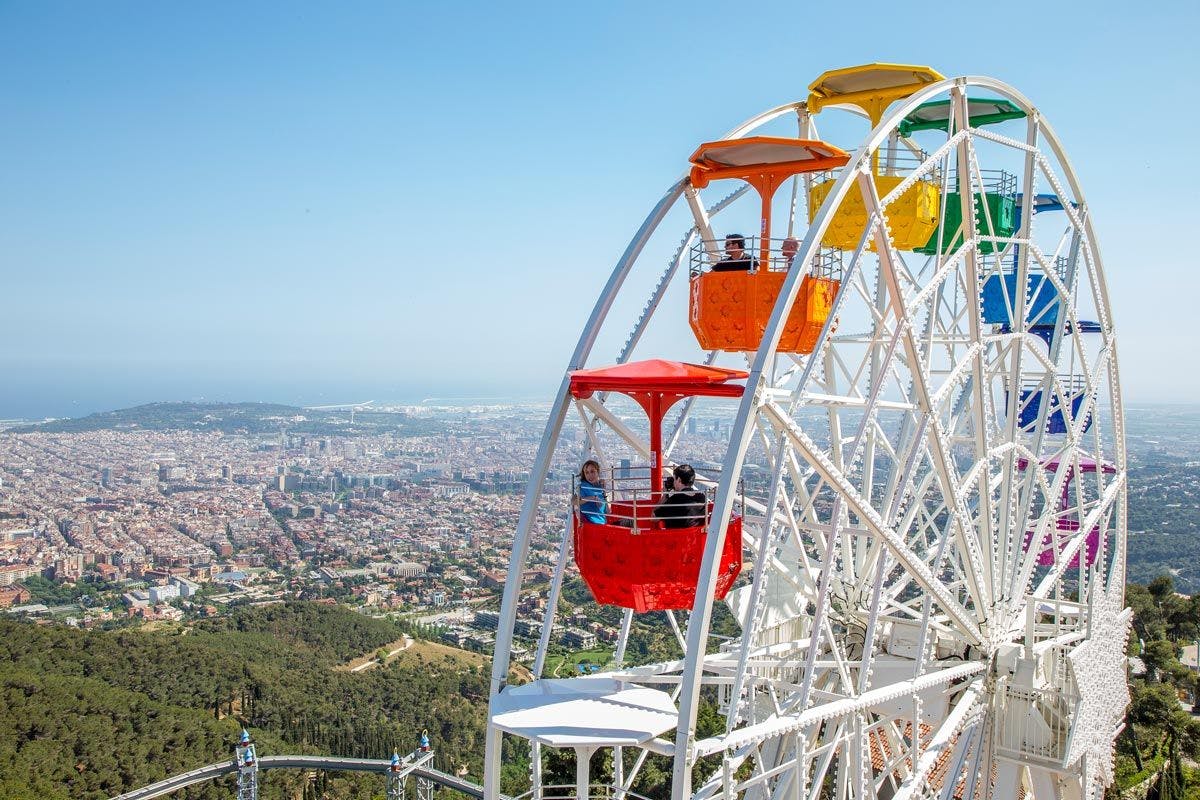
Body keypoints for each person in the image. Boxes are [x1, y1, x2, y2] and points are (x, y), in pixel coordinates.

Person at [653, 463, 707, 529]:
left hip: (675, 538)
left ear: (679, 480)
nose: (673, 482)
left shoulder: (674, 500)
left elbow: (653, 518)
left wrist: (665, 495)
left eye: (674, 479)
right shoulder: (702, 498)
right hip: (696, 538)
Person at [576, 459, 608, 524]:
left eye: (592, 471)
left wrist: (604, 490)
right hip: (592, 525)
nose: (590, 475)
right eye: (587, 473)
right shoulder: (583, 487)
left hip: (602, 524)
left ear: (598, 472)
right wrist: (592, 498)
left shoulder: (600, 487)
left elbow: (607, 511)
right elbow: (574, 501)